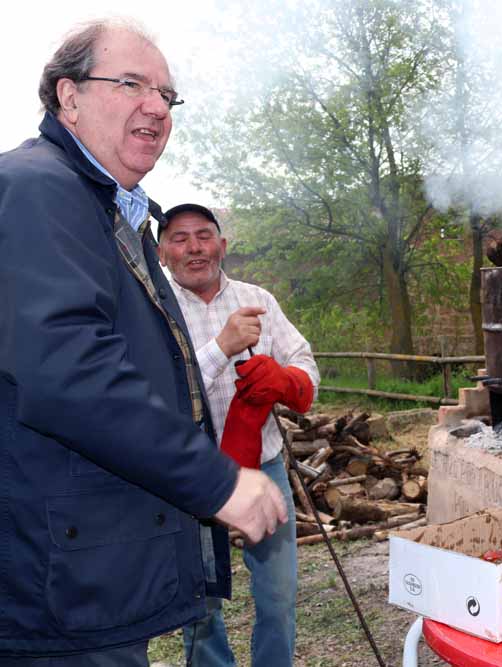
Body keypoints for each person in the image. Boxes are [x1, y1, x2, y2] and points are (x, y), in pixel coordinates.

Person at [0, 19, 288, 665]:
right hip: (54, 588)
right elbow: (71, 371)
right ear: (67, 96)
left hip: (85, 573)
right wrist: (216, 481)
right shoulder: (41, 187)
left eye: (166, 94)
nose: (156, 106)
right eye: (130, 83)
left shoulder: (112, 211)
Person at [158, 203, 320, 667]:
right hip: (190, 474)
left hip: (264, 467)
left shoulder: (259, 300)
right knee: (200, 605)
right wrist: (221, 348)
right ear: (162, 252)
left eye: (203, 235)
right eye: (180, 238)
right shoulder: (156, 311)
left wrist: (285, 379)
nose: (194, 248)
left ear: (222, 245)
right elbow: (157, 398)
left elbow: (305, 363)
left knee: (278, 595)